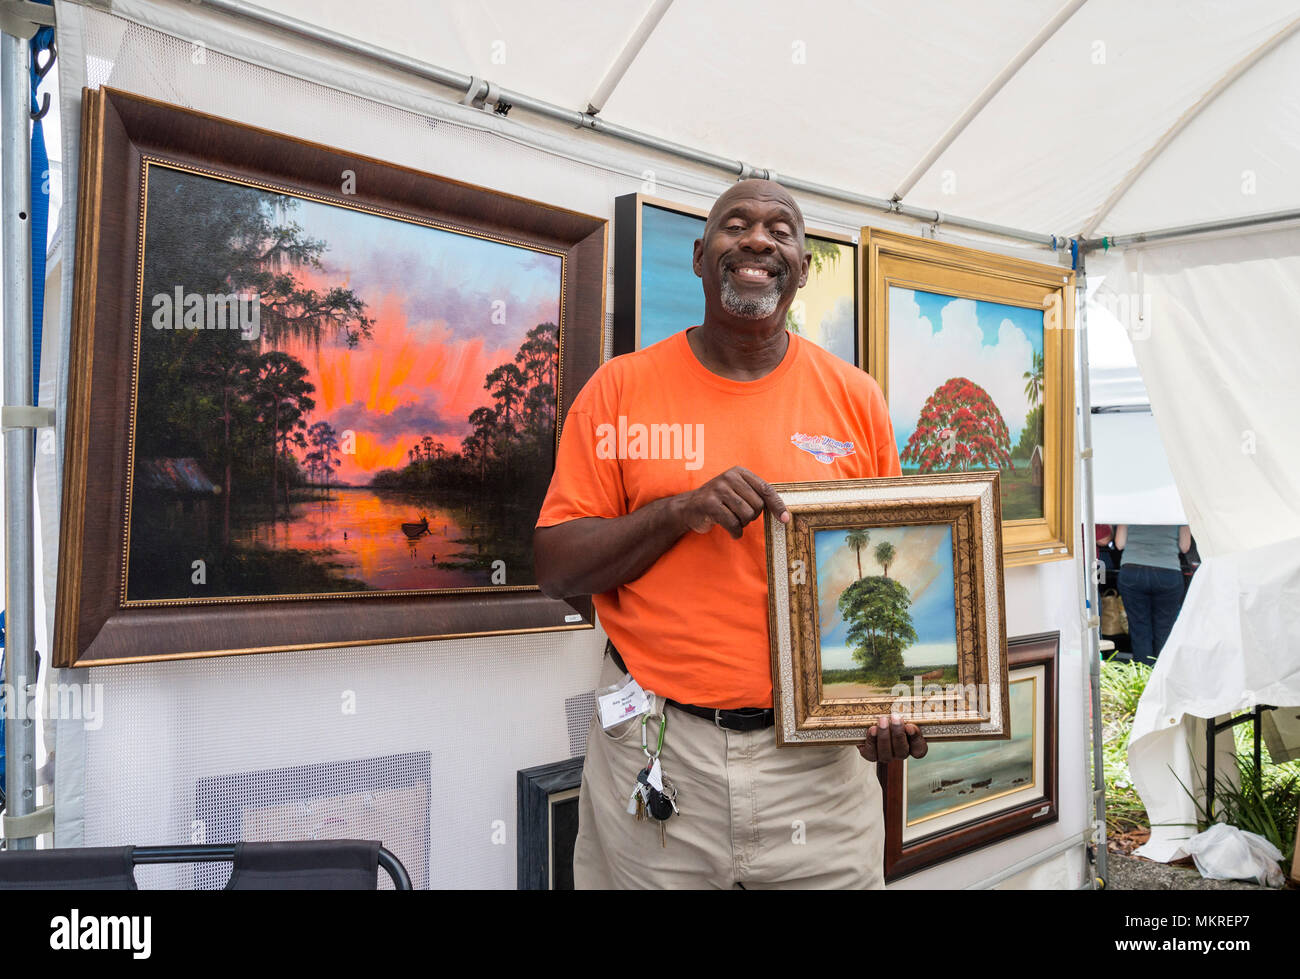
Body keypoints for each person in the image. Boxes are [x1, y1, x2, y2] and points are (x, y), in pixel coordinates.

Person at [534, 179, 925, 889]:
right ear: (699, 255)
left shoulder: (857, 399)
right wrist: (677, 512)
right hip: (657, 748)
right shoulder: (620, 390)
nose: (758, 239)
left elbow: (883, 579)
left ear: (802, 268)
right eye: (735, 224)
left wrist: (890, 700)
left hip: (819, 767)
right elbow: (555, 566)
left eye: (782, 230)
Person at [1114, 524, 1192, 665]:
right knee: (1165, 630)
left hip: (1132, 570)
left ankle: (1143, 679)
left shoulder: (1128, 504)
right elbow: (1185, 546)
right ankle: (1162, 680)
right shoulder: (1177, 506)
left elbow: (1119, 544)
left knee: (1139, 630)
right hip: (1168, 571)